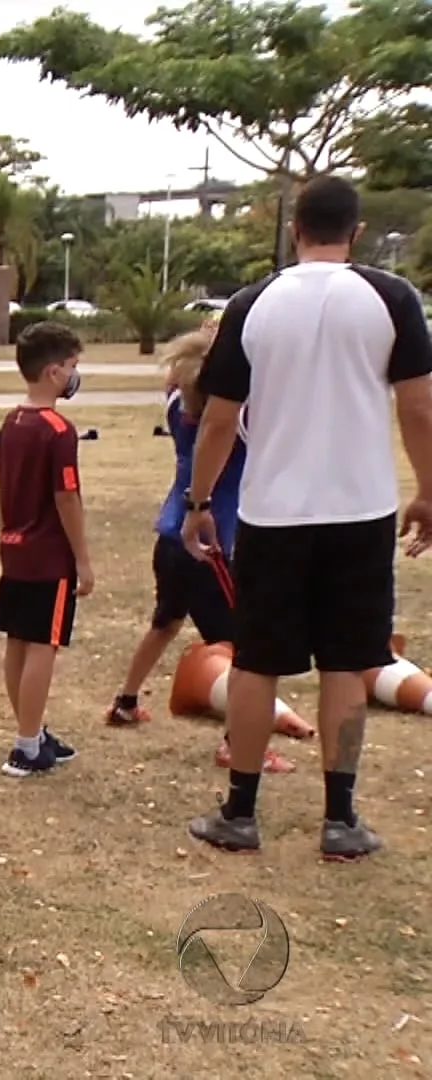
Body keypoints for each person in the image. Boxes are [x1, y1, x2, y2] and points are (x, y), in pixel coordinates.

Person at [183, 174, 432, 860]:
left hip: (274, 512)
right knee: (349, 664)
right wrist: (428, 490)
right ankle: (341, 817)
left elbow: (220, 419)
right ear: (356, 233)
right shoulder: (392, 299)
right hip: (361, 509)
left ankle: (240, 811)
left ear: (295, 230)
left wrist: (199, 502)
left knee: (260, 662)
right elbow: (418, 406)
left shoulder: (253, 303)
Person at [103, 325, 295, 773]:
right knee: (241, 648)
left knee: (165, 621)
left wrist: (209, 340)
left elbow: (177, 377)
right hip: (212, 545)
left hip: (170, 536)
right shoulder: (236, 417)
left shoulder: (177, 405)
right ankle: (238, 743)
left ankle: (126, 702)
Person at [0, 321, 89, 778]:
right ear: (53, 372)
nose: (74, 375)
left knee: (18, 640)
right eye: (72, 366)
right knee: (43, 644)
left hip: (15, 547)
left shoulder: (12, 421)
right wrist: (82, 559)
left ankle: (33, 730)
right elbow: (66, 496)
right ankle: (27, 745)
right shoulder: (57, 429)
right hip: (48, 552)